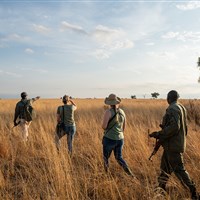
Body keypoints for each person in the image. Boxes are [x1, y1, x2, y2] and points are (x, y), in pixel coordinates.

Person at [149, 90, 199, 199]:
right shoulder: (181, 107)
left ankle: (193, 191)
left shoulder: (172, 108)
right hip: (173, 145)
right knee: (164, 169)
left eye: (167, 97)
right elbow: (184, 127)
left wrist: (159, 133)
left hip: (173, 146)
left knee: (179, 170)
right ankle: (161, 190)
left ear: (169, 98)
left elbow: (175, 127)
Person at [102, 94, 134, 176]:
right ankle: (130, 174)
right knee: (119, 158)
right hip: (120, 139)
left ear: (109, 103)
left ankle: (107, 175)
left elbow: (104, 126)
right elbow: (124, 127)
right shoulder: (122, 112)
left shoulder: (108, 112)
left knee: (106, 158)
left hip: (109, 138)